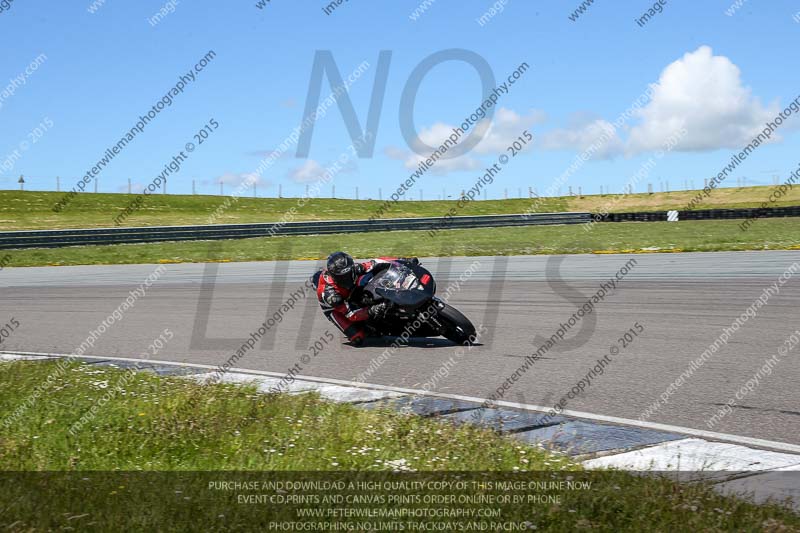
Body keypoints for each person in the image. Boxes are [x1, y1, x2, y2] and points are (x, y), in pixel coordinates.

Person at [311, 252, 417, 345]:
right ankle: (370, 327)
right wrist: (372, 310)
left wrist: (403, 261)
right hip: (336, 309)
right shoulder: (331, 295)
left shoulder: (354, 269)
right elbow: (351, 314)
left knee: (372, 283)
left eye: (348, 274)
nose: (346, 279)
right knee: (357, 338)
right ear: (334, 276)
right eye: (342, 277)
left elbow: (376, 262)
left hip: (351, 291)